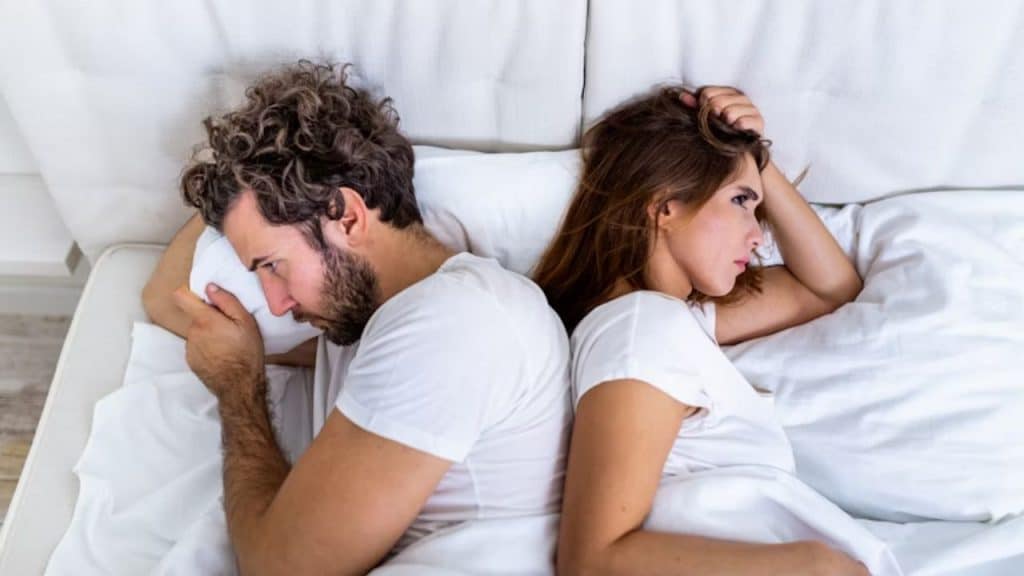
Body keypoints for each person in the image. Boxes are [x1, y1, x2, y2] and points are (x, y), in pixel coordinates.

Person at [142, 61, 571, 575]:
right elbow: (166, 300)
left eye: (273, 266)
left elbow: (281, 569)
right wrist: (237, 176)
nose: (275, 303)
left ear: (346, 216)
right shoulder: (356, 328)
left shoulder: (456, 320)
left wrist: (239, 391)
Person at [533, 86, 879, 576]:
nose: (758, 235)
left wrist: (759, 164)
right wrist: (813, 566)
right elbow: (593, 560)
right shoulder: (640, 329)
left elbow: (829, 289)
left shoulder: (670, 322)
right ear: (665, 204)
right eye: (740, 201)